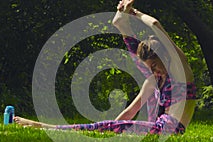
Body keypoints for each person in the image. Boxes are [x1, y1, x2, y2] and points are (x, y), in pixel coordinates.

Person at [14, 0, 196, 135]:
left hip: (167, 130)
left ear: (164, 56)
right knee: (147, 77)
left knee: (148, 78)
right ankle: (122, 25)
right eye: (151, 67)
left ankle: (47, 128)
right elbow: (130, 112)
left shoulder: (181, 71)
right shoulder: (155, 80)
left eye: (155, 65)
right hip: (156, 126)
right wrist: (109, 129)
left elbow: (156, 25)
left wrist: (135, 13)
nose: (154, 70)